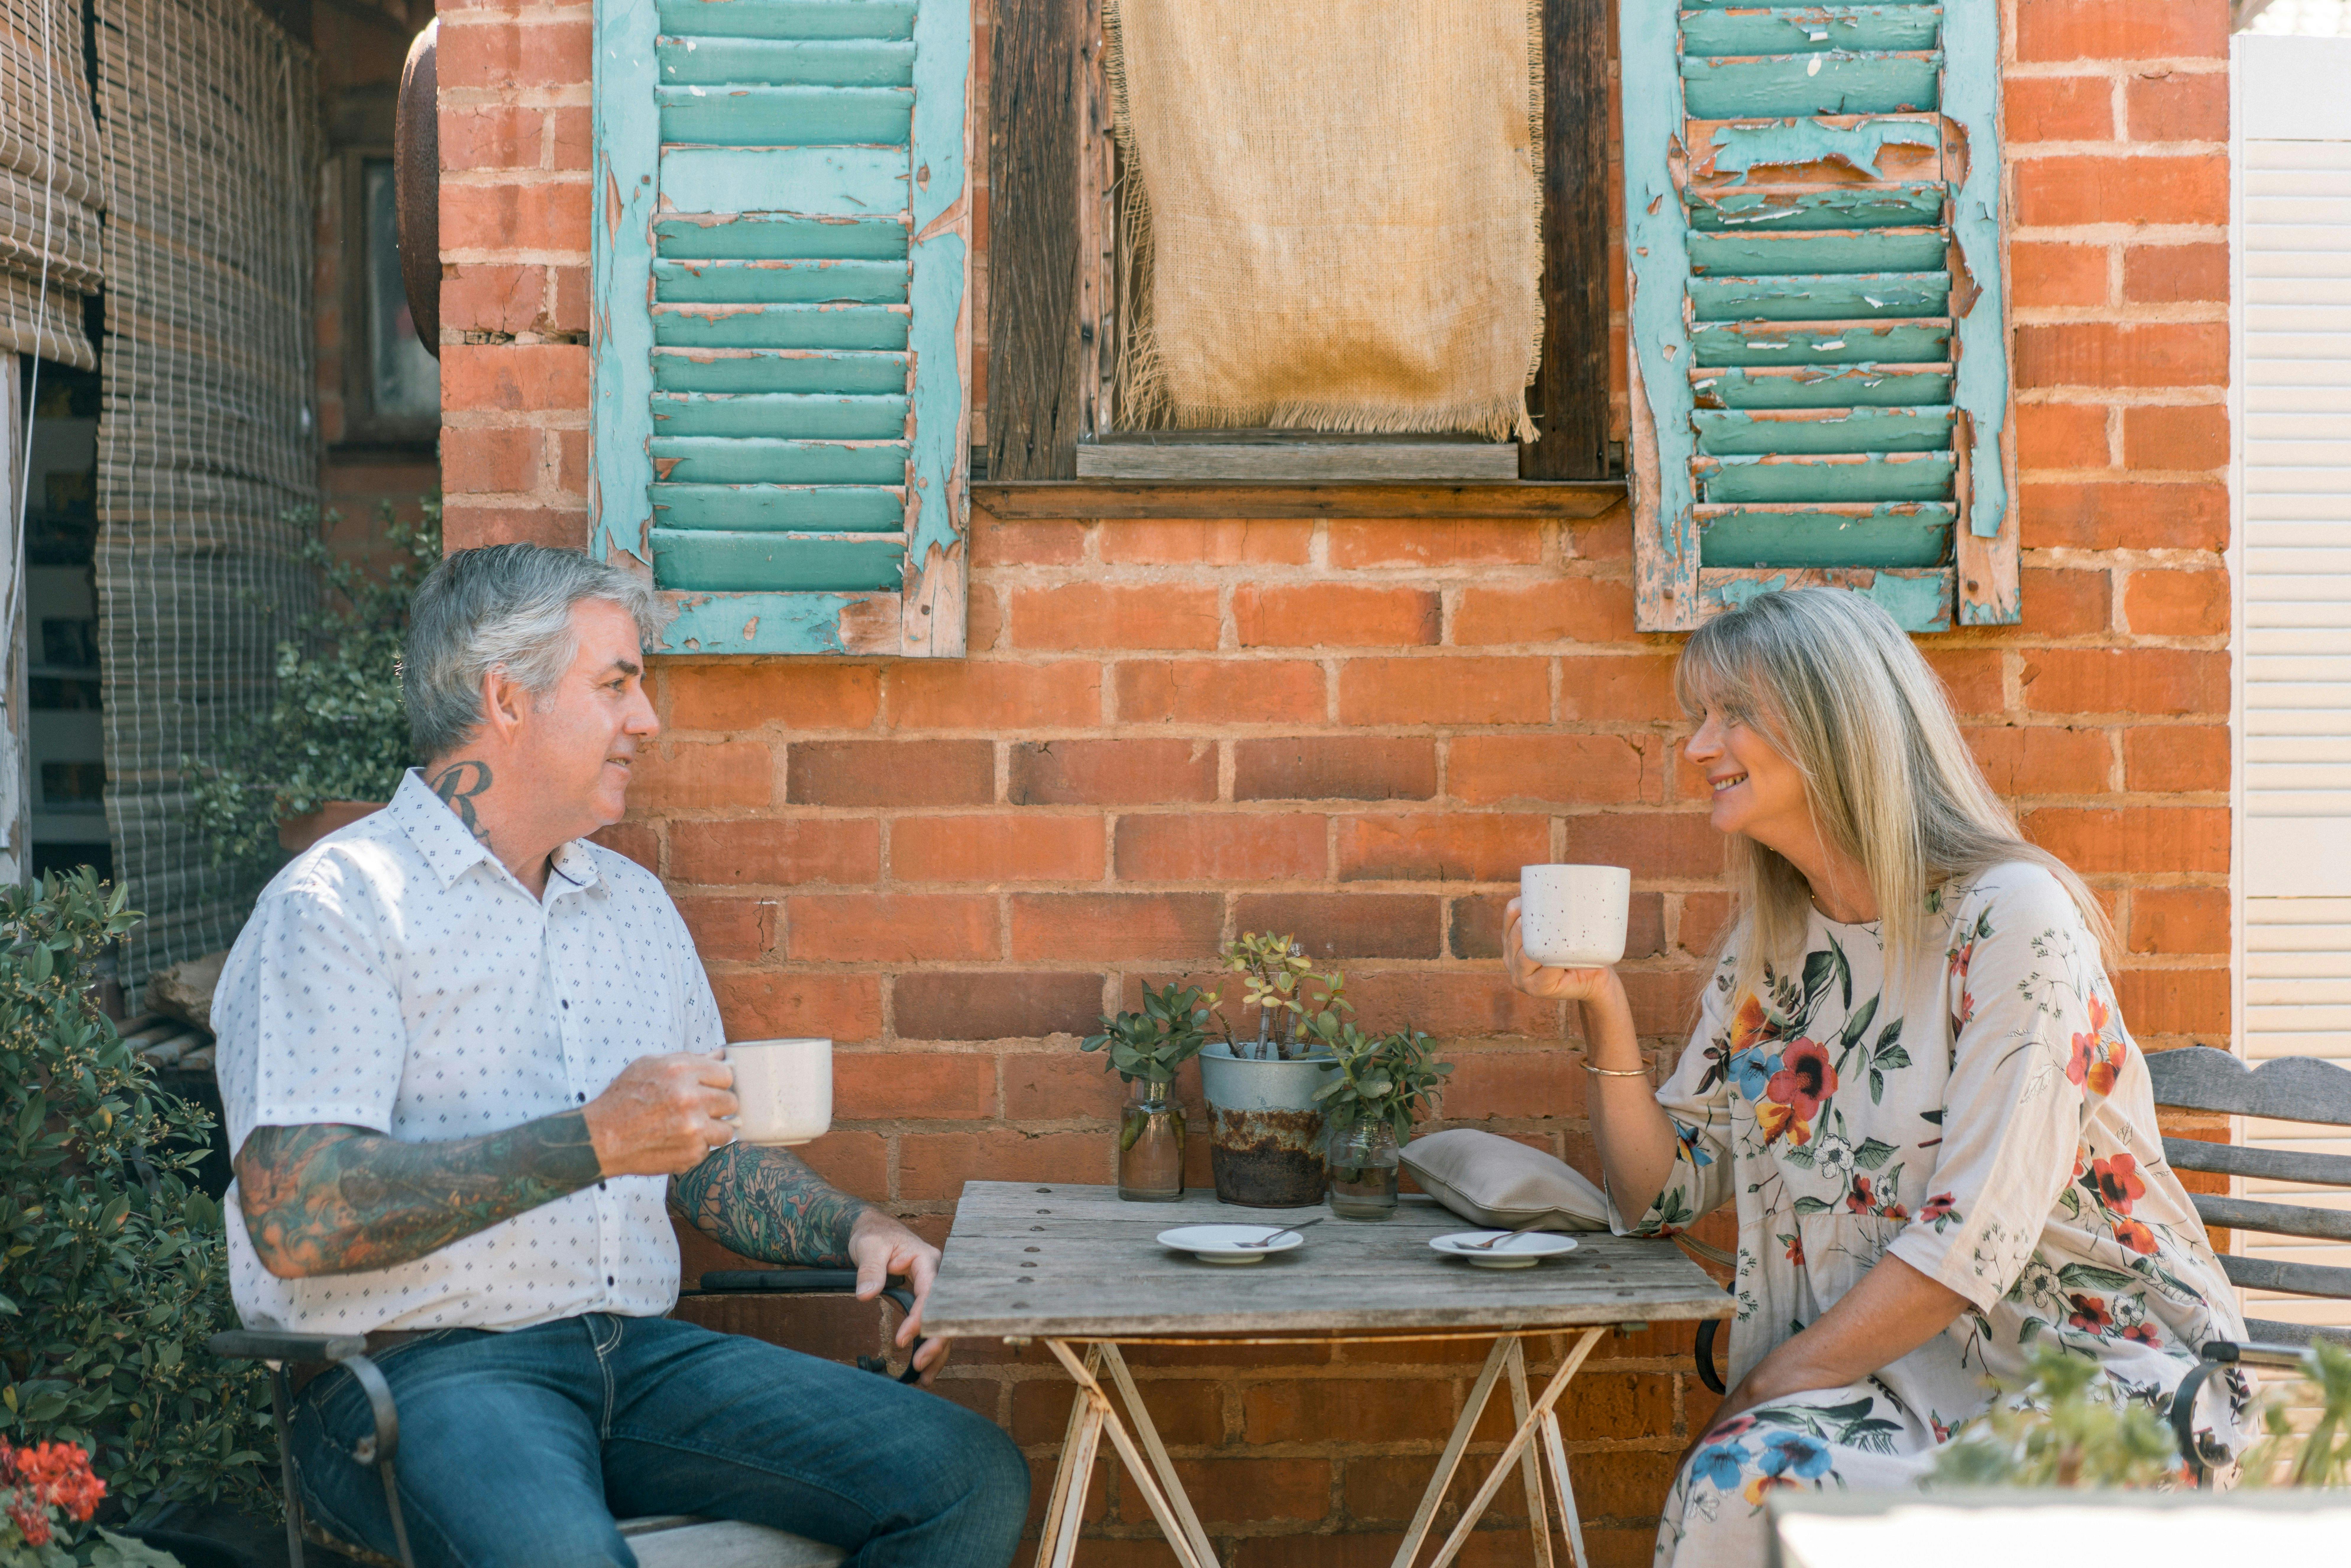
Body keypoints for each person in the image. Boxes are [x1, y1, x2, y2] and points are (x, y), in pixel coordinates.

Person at [214, 544, 1028, 1568]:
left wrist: (856, 1231)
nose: (647, 721)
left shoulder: (631, 907)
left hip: (634, 1361)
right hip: (418, 1379)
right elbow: (299, 1216)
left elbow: (703, 1153)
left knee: (966, 1476)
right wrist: (596, 1138)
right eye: (616, 685)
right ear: (507, 701)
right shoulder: (339, 907)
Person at [1504, 588, 2243, 1566]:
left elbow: (1973, 1234)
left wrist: (1767, 1387)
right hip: (1895, 1386)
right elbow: (1661, 1192)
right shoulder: (1772, 952)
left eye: (1732, 713)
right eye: (1699, 717)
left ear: (1833, 728)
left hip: (2103, 1384)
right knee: (1737, 1487)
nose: (1696, 746)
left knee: (1748, 1465)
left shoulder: (2011, 919)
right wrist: (1598, 1001)